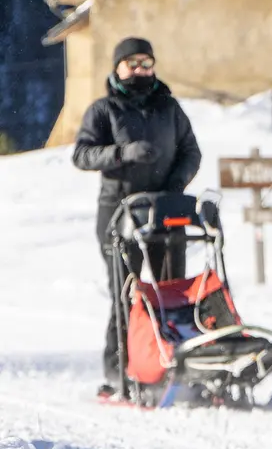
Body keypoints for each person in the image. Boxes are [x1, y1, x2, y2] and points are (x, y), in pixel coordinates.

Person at [72, 37, 201, 398]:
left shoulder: (170, 108)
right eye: (133, 64)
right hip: (118, 213)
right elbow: (82, 155)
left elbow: (191, 151)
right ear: (117, 68)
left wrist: (176, 182)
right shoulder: (104, 110)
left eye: (147, 64)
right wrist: (122, 153)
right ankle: (119, 373)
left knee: (169, 291)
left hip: (164, 212)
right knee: (127, 293)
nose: (141, 71)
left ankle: (170, 365)